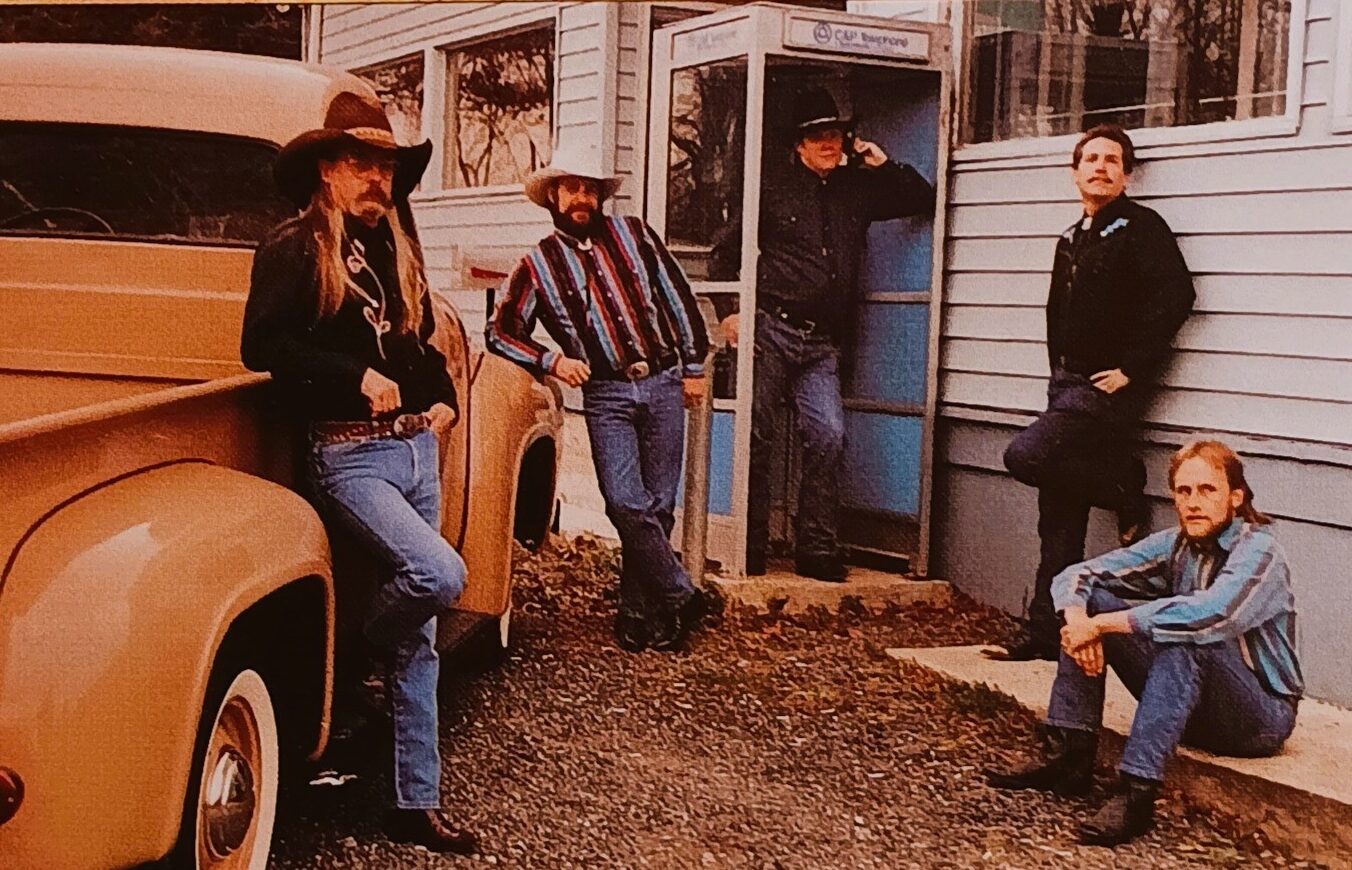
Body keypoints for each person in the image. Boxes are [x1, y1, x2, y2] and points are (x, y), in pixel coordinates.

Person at [240, 91, 477, 854]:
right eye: (359, 163)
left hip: (414, 449)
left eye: (386, 166)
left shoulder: (395, 247)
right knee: (437, 574)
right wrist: (353, 377)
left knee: (423, 638)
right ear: (326, 170)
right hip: (348, 453)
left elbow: (415, 344)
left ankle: (414, 802)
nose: (377, 178)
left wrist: (443, 401)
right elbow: (264, 347)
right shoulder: (293, 247)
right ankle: (358, 657)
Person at [986, 440, 1302, 847]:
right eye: (1184, 491)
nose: (1193, 502)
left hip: (1258, 717)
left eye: (1207, 490)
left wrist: (1104, 626)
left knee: (1184, 634)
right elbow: (1077, 574)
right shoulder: (1177, 544)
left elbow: (1212, 614)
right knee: (1091, 602)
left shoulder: (1260, 551)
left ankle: (1136, 793)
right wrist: (1080, 621)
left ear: (1236, 498)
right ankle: (1068, 755)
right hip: (1192, 707)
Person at [485, 142, 710, 653]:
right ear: (553, 196)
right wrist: (552, 361)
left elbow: (678, 297)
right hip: (606, 392)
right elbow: (501, 332)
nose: (582, 198)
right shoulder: (537, 264)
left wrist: (693, 367)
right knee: (625, 501)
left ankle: (640, 611)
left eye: (590, 189)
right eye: (572, 189)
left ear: (601, 196)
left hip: (663, 379)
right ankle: (681, 594)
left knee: (659, 505)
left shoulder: (636, 235)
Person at [989, 124, 1196, 661]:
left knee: (1023, 455)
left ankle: (1120, 484)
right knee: (1058, 520)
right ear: (1074, 171)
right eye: (1091, 159)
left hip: (1104, 389)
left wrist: (1132, 368)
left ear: (1126, 175)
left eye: (1112, 160)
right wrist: (1056, 374)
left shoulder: (1142, 228)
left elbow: (1178, 296)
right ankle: (1046, 632)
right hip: (1066, 386)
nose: (1101, 167)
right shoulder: (1071, 236)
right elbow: (1056, 314)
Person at [718, 87, 936, 581]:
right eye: (818, 135)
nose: (829, 143)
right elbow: (723, 253)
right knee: (756, 435)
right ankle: (748, 546)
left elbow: (921, 197)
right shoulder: (771, 189)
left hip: (821, 344)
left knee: (828, 436)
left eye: (836, 134)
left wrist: (881, 163)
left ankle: (816, 551)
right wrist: (731, 312)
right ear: (799, 144)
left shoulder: (856, 188)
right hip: (771, 329)